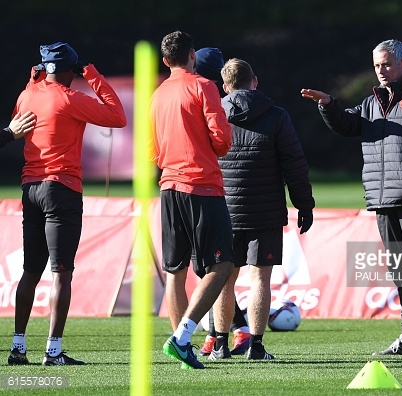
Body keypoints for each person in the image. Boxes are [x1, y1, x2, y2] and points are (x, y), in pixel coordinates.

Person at [301, 39, 402, 356]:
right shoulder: (372, 102)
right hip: (383, 198)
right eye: (376, 66)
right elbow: (347, 124)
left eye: (385, 64)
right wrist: (328, 104)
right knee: (399, 269)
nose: (380, 71)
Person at [8, 42, 127, 366]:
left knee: (30, 272)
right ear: (68, 71)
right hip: (61, 189)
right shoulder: (69, 98)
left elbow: (27, 106)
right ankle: (53, 351)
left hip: (30, 188)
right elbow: (117, 116)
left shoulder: (27, 94)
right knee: (61, 273)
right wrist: (91, 73)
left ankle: (18, 348)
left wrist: (37, 76)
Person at [209, 58, 315, 361]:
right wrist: (303, 204)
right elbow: (295, 164)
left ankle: (220, 344)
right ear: (255, 81)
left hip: (223, 209)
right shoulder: (276, 116)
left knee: (224, 278)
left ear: (225, 86)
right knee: (260, 279)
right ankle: (255, 346)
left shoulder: (214, 114)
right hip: (265, 209)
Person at [149, 31, 234, 369]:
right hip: (201, 185)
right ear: (192, 55)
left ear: (166, 60)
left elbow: (151, 150)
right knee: (223, 265)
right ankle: (182, 338)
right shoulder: (203, 86)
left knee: (176, 271)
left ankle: (182, 349)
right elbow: (222, 139)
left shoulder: (157, 94)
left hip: (169, 185)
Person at [190, 47, 251, 358]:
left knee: (212, 270)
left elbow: (221, 144)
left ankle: (220, 334)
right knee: (213, 270)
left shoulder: (205, 99)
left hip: (208, 191)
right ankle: (235, 328)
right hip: (221, 193)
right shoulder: (204, 94)